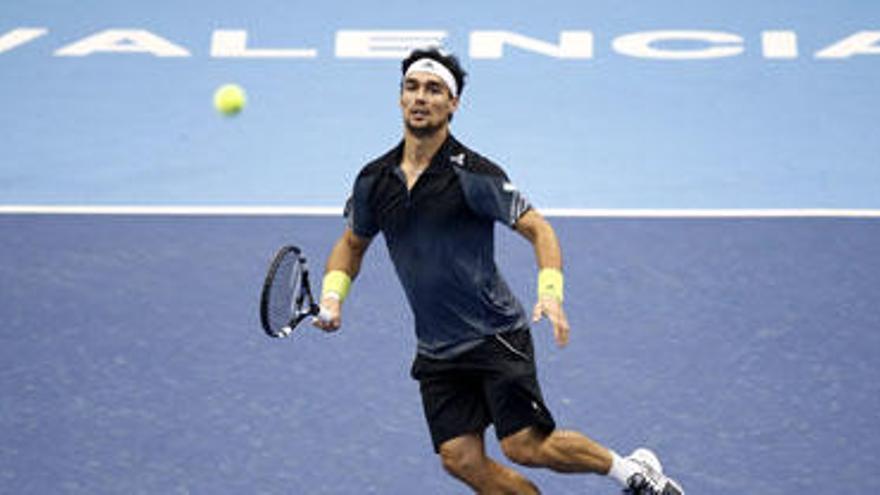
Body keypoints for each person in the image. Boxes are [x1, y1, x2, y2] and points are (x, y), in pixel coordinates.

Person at [313, 47, 684, 495]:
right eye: (411, 87)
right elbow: (352, 243)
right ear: (399, 98)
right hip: (436, 347)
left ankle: (634, 473)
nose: (420, 97)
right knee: (460, 458)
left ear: (453, 104)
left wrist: (550, 293)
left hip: (494, 334)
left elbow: (539, 229)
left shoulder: (474, 175)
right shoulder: (374, 180)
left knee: (525, 445)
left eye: (434, 89)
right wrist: (334, 296)